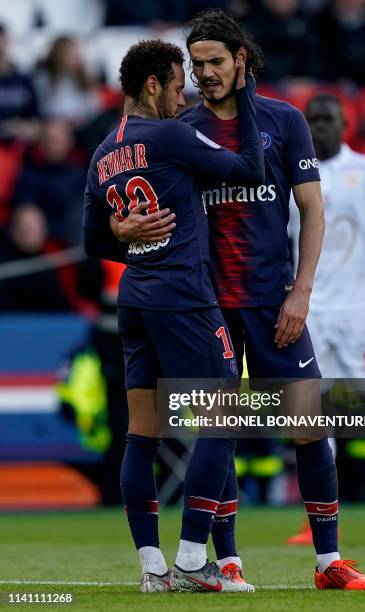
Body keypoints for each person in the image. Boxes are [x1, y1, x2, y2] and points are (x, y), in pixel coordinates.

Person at [118, 8, 365, 591]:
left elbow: (312, 209)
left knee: (310, 426)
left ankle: (327, 563)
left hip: (272, 303)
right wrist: (120, 229)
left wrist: (301, 294)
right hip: (204, 306)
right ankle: (228, 559)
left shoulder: (284, 122)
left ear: (242, 60)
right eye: (197, 64)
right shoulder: (179, 131)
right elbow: (134, 203)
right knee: (221, 429)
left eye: (215, 62)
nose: (205, 74)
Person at [83, 39, 265, 593]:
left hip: (134, 298)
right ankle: (190, 559)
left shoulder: (102, 151)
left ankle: (151, 569)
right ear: (153, 85)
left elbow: (94, 242)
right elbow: (248, 169)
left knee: (142, 433)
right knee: (225, 417)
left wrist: (123, 233)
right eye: (178, 82)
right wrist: (247, 93)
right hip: (183, 295)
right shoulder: (169, 135)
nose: (185, 92)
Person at [287, 93, 365, 545]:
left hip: (362, 314)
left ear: (345, 123)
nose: (319, 127)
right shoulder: (292, 174)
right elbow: (284, 243)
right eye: (312, 120)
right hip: (312, 311)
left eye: (327, 119)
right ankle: (316, 519)